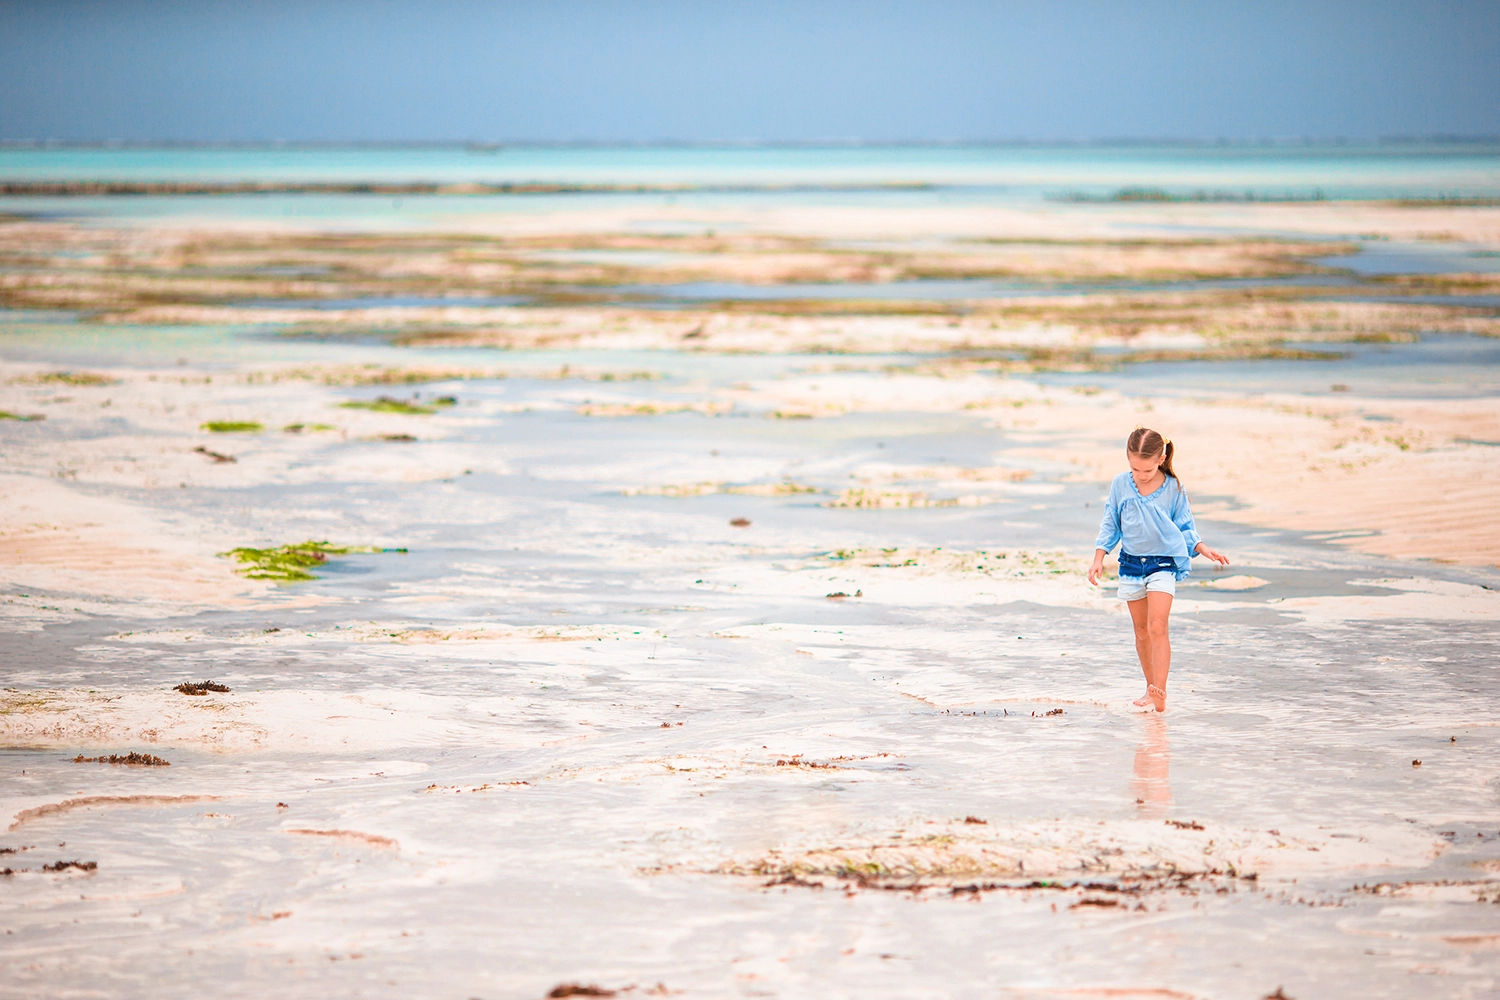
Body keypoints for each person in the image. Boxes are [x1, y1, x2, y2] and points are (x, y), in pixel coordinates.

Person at [1087, 428, 1229, 712]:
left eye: (1148, 469)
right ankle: (1150, 688)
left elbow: (1185, 526)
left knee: (1157, 626)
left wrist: (1203, 548)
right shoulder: (1119, 485)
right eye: (1134, 468)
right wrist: (1098, 557)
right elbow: (1110, 522)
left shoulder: (1174, 488)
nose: (1141, 475)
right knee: (1141, 631)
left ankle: (1160, 691)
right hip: (1130, 565)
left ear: (1162, 458)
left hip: (1162, 564)